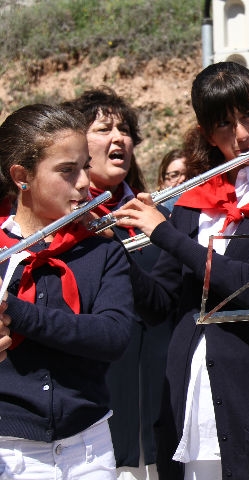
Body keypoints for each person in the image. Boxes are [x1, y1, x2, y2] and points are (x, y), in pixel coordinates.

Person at [114, 61, 249, 479]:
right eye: (223, 125)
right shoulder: (193, 200)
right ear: (207, 134)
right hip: (189, 395)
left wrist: (165, 235)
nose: (241, 136)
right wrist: (112, 250)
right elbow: (160, 304)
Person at [0, 103, 135, 478]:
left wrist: (14, 310)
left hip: (90, 450)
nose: (82, 184)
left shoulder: (101, 247)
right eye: (66, 171)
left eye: (84, 168)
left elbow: (113, 336)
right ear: (21, 176)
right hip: (9, 452)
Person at [62, 86, 170, 480]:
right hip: (89, 411)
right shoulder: (59, 221)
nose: (118, 138)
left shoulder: (152, 215)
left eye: (124, 129)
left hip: (157, 404)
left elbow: (162, 303)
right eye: (103, 128)